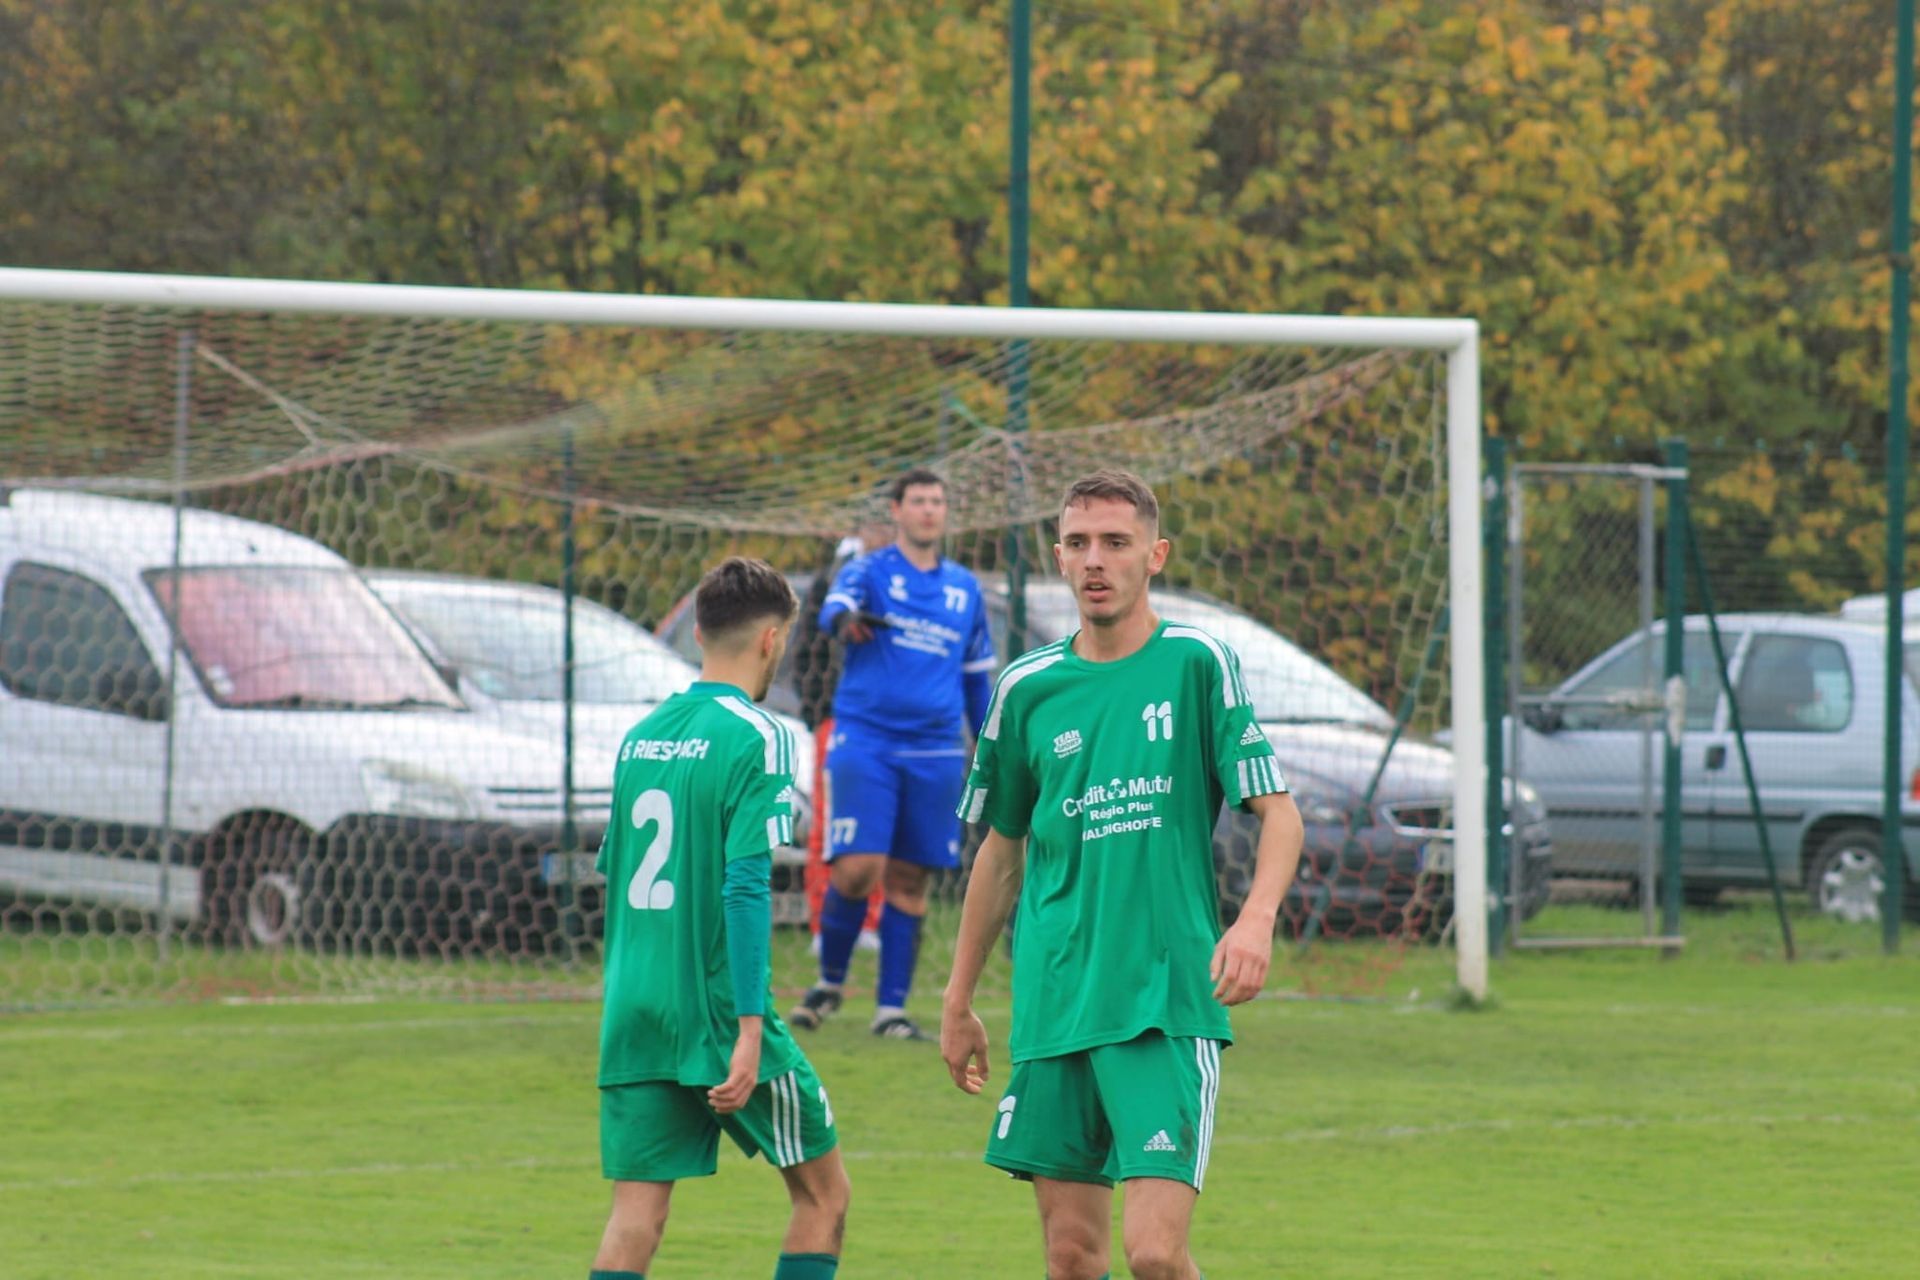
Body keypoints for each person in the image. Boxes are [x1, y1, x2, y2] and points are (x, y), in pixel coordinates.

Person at [939, 469, 1304, 1280]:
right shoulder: (1027, 689)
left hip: (1161, 1000)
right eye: (1077, 544)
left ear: (1156, 555)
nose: (1094, 560)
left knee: (1153, 1254)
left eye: (1115, 542)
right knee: (1071, 1257)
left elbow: (1280, 816)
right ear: (1059, 560)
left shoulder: (1196, 664)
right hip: (1057, 998)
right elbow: (1001, 854)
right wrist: (959, 997)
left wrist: (1255, 919)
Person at [590, 557, 850, 1280]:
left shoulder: (641, 738)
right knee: (824, 1196)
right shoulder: (759, 735)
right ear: (772, 642)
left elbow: (618, 878)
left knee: (637, 1212)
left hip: (635, 1006)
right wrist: (744, 1031)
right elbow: (744, 888)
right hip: (715, 1013)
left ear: (699, 631)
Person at [790, 467, 996, 1041]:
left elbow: (977, 678)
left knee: (911, 879)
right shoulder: (869, 571)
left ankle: (891, 1012)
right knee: (858, 869)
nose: (930, 510)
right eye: (919, 501)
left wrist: (989, 744)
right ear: (897, 511)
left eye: (938, 501)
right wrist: (847, 620)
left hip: (935, 750)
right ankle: (830, 982)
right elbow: (833, 608)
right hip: (868, 739)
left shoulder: (964, 589)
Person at [789, 500, 896, 950]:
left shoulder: (907, 577)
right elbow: (806, 652)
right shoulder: (834, 580)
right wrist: (821, 714)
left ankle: (872, 921)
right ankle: (825, 922)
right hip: (841, 719)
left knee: (884, 822)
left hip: (892, 721)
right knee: (831, 822)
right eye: (879, 525)